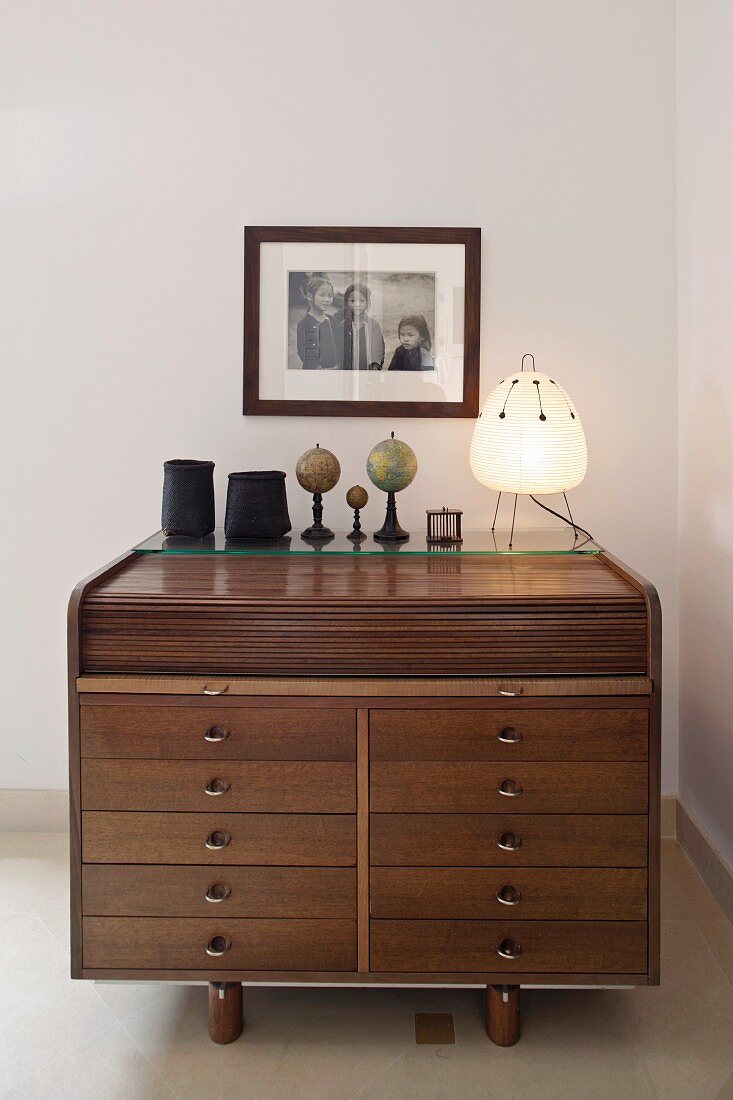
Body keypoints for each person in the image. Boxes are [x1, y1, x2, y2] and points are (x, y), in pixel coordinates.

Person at [296, 276, 340, 369]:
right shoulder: (304, 324)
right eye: (322, 295)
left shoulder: (331, 320)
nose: (327, 299)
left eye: (330, 296)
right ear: (309, 296)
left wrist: (338, 365)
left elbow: (338, 346)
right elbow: (303, 352)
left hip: (334, 370)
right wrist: (318, 369)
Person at [338, 283, 385, 370]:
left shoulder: (374, 325)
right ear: (346, 303)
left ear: (368, 303)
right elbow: (338, 351)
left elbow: (379, 348)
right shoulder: (342, 326)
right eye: (352, 301)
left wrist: (376, 365)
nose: (357, 304)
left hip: (369, 373)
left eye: (361, 301)